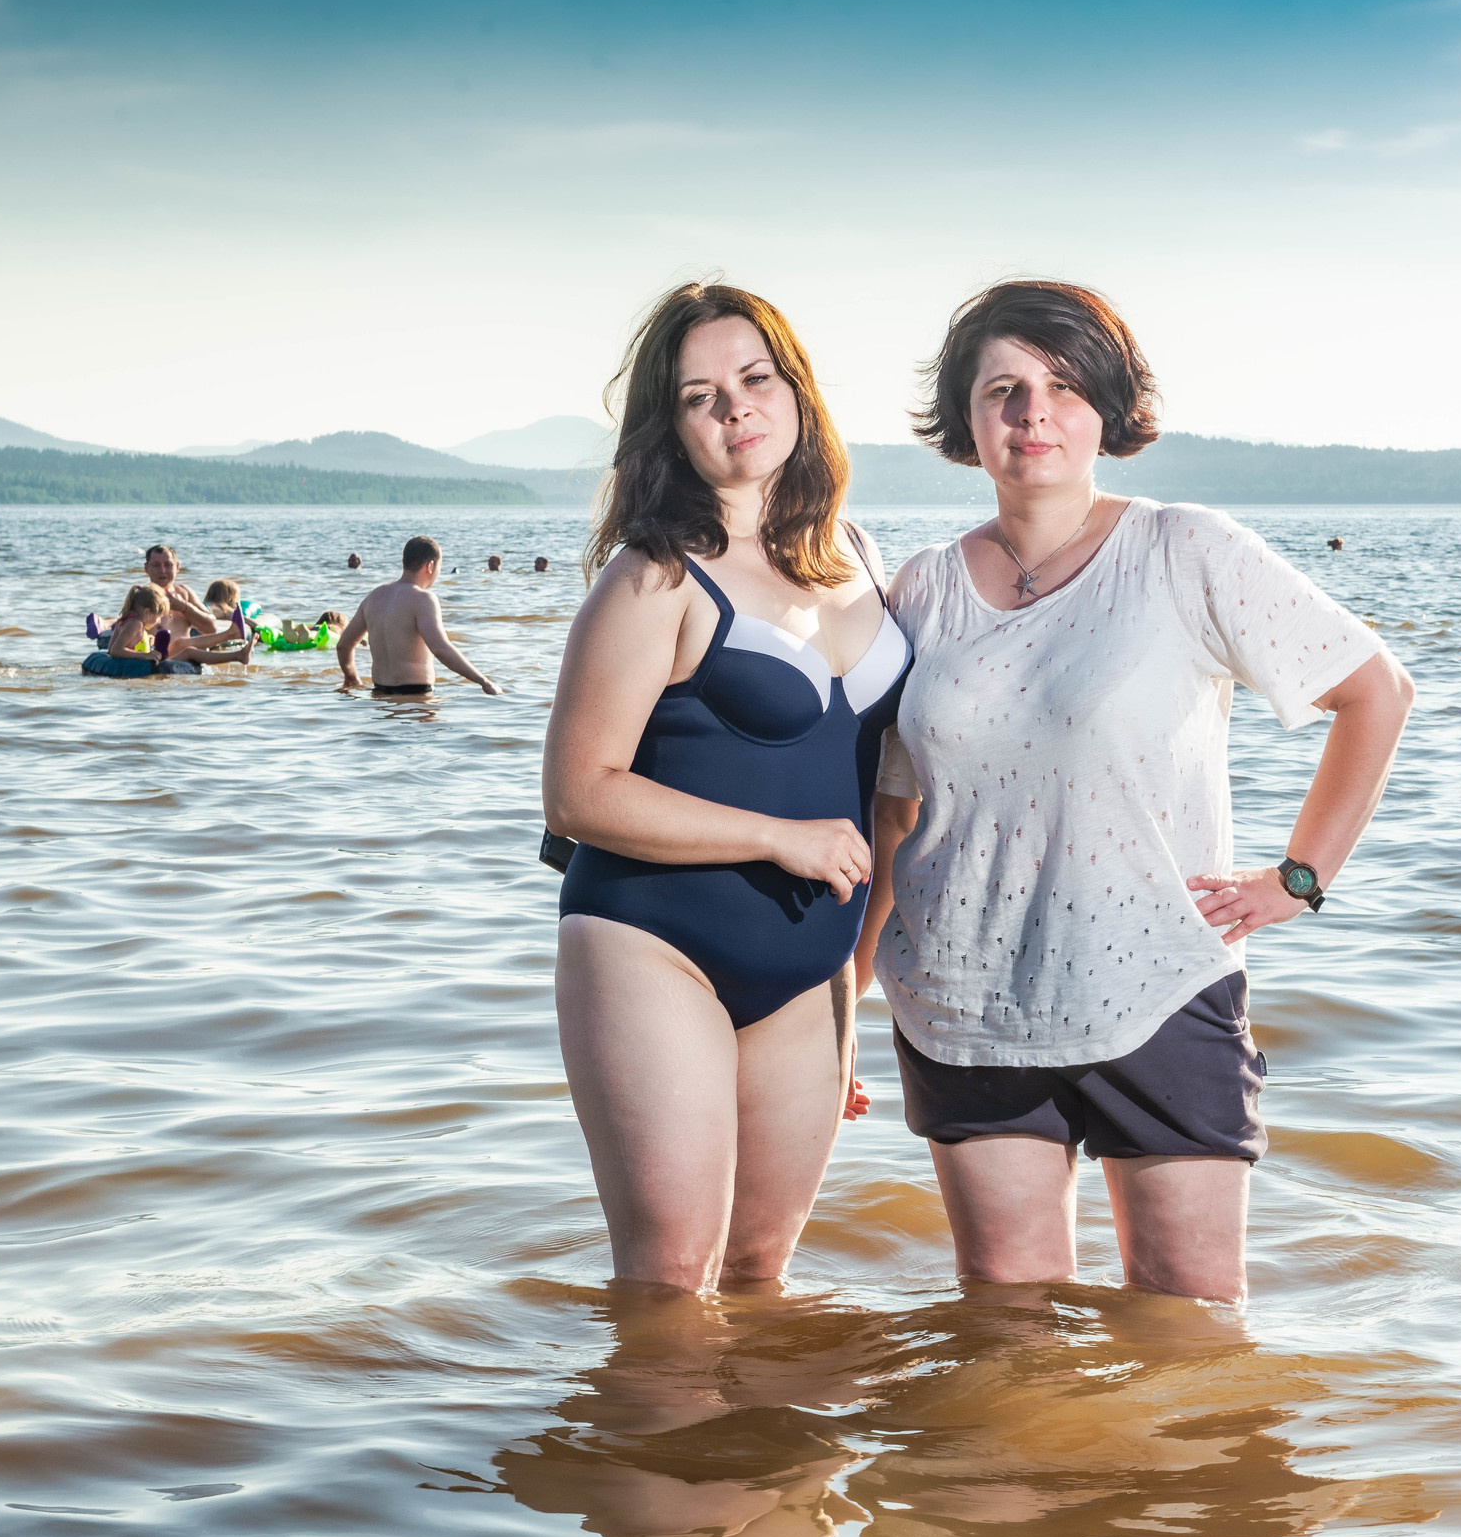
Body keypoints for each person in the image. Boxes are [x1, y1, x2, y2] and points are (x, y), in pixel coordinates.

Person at [859, 280, 1413, 1304]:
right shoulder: (920, 587)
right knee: (1004, 1342)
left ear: (1108, 409)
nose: (1033, 416)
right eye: (1004, 390)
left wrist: (1299, 876)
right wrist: (845, 994)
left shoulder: (1181, 549)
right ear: (964, 415)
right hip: (959, 1003)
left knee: (1188, 1335)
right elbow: (899, 810)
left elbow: (1373, 689)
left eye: (1064, 388)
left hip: (1153, 987)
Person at [541, 281, 910, 1294]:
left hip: (811, 974)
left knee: (759, 1276)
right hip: (653, 947)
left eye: (754, 378)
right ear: (673, 428)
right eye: (700, 395)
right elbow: (576, 794)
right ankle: (640, 1457)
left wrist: (861, 973)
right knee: (668, 1278)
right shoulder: (653, 574)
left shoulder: (859, 558)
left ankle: (763, 1463)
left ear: (795, 391)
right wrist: (778, 836)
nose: (735, 407)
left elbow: (889, 792)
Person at [336, 537, 503, 697]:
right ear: (430, 566)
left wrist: (351, 677)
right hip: (416, 697)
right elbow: (440, 649)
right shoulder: (424, 599)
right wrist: (484, 681)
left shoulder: (374, 596)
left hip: (379, 695)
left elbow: (344, 645)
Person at [105, 584, 253, 665]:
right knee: (190, 651)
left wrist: (146, 644)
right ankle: (237, 656)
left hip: (144, 661)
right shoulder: (135, 624)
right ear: (147, 612)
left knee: (181, 642)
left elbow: (113, 646)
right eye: (158, 616)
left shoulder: (129, 621)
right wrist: (145, 655)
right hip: (143, 666)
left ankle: (231, 634)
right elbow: (115, 651)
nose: (158, 621)